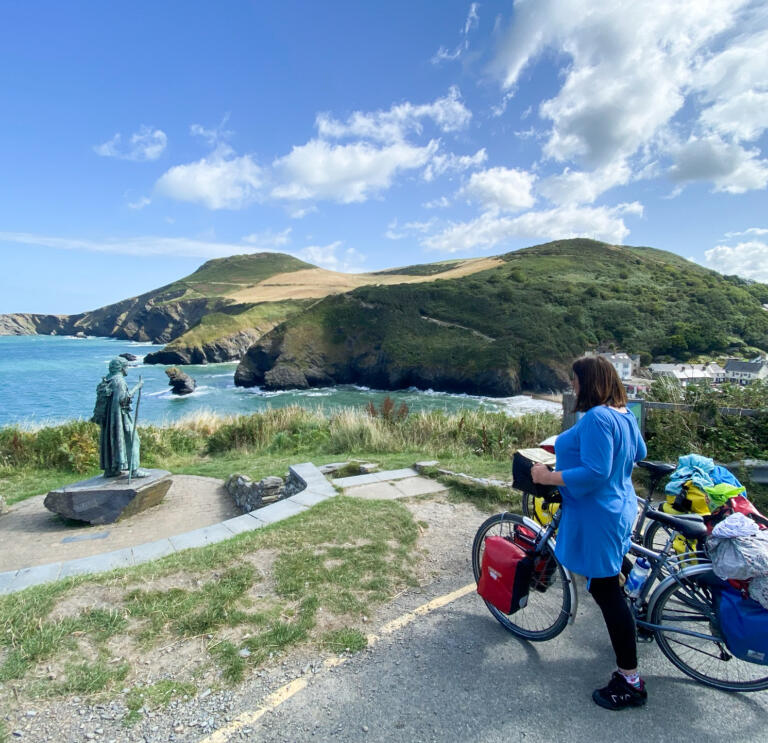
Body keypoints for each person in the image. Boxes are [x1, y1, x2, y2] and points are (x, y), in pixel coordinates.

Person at [531, 355, 648, 710]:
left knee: (605, 590)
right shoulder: (624, 415)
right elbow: (637, 453)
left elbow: (596, 472)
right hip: (620, 505)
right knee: (612, 575)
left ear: (589, 382)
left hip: (599, 514)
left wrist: (547, 477)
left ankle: (630, 681)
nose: (573, 385)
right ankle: (636, 610)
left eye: (576, 380)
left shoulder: (598, 417)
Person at [97, 357, 148, 478]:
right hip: (120, 418)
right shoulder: (119, 381)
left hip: (110, 419)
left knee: (111, 441)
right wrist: (138, 386)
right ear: (122, 368)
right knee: (133, 440)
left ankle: (111, 469)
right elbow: (123, 399)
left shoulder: (108, 379)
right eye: (127, 366)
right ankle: (134, 470)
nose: (127, 369)